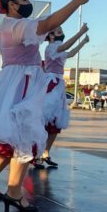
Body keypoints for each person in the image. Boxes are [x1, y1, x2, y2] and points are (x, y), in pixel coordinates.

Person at [0, 0, 90, 212]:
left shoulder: (13, 25)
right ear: (13, 4)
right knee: (24, 135)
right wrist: (76, 2)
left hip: (17, 81)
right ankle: (14, 192)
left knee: (12, 136)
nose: (28, 3)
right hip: (21, 83)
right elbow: (48, 24)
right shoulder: (16, 26)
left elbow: (47, 23)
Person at [35, 23, 90, 168]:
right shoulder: (51, 47)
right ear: (51, 36)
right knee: (44, 121)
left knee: (55, 122)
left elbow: (70, 53)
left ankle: (45, 153)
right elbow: (66, 48)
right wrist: (80, 33)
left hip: (58, 84)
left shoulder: (57, 47)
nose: (59, 29)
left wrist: (83, 42)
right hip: (50, 84)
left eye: (60, 29)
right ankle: (36, 154)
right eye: (55, 30)